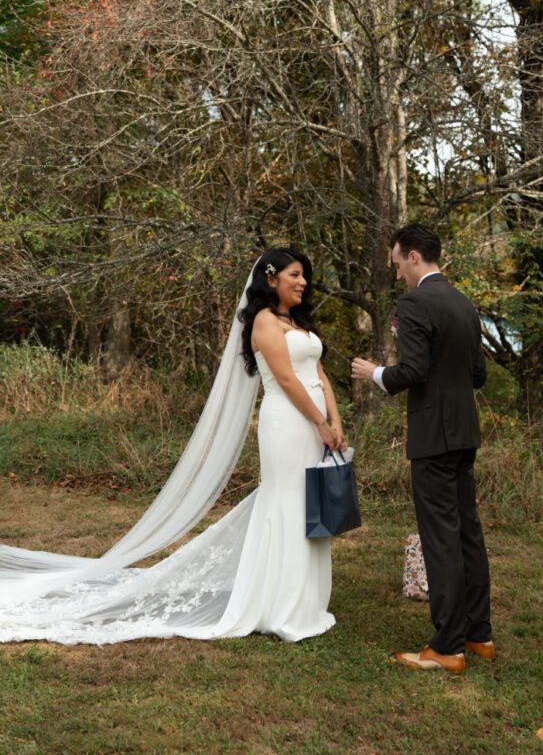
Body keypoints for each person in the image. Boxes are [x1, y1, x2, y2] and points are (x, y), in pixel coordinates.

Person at [0, 248, 346, 645]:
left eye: (305, 276)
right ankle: (279, 606)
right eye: (296, 275)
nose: (303, 282)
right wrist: (319, 422)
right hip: (288, 424)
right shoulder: (265, 323)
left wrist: (334, 420)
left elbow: (319, 374)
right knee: (287, 503)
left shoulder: (297, 322)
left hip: (316, 425)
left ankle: (308, 602)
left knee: (310, 504)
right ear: (272, 279)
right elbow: (286, 381)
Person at [352, 224, 493, 674]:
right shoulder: (464, 303)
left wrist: (376, 373)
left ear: (414, 257)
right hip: (466, 433)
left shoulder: (415, 303)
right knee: (467, 530)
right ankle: (479, 634)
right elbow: (478, 375)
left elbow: (412, 369)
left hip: (433, 436)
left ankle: (448, 646)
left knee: (441, 537)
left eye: (397, 264)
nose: (397, 275)